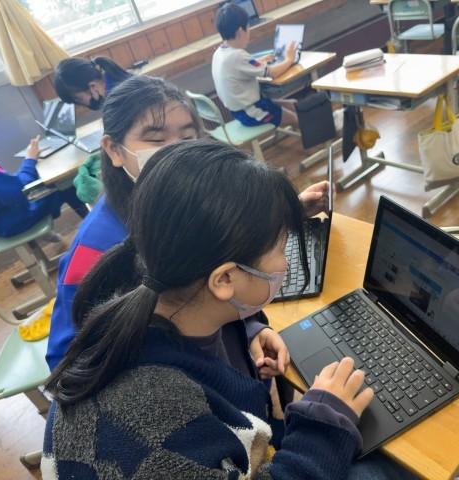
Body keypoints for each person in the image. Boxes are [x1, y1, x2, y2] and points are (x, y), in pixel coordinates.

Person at [42, 138, 416, 479]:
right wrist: (322, 426)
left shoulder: (159, 300)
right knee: (394, 465)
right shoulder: (157, 419)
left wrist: (248, 331)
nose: (286, 261)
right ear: (223, 280)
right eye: (281, 247)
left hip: (248, 448)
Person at [45, 75, 331, 371]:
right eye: (156, 140)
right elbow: (67, 361)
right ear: (114, 150)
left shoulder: (194, 196)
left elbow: (207, 289)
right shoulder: (94, 247)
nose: (176, 151)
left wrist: (250, 329)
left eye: (186, 138)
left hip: (229, 358)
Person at [0, 99, 87, 238]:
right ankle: (95, 233)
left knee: (39, 178)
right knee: (67, 184)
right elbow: (19, 192)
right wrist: (30, 160)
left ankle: (52, 235)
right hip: (12, 220)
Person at [212, 3, 299, 129]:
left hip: (239, 111)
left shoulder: (220, 53)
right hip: (252, 112)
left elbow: (239, 67)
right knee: (294, 118)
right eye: (248, 28)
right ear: (240, 31)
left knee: (292, 104)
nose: (249, 33)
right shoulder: (237, 56)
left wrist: (261, 60)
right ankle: (319, 134)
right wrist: (289, 59)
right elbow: (273, 73)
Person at [54, 56, 132, 110]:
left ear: (93, 87)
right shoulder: (118, 82)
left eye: (79, 100)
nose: (81, 107)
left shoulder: (121, 103)